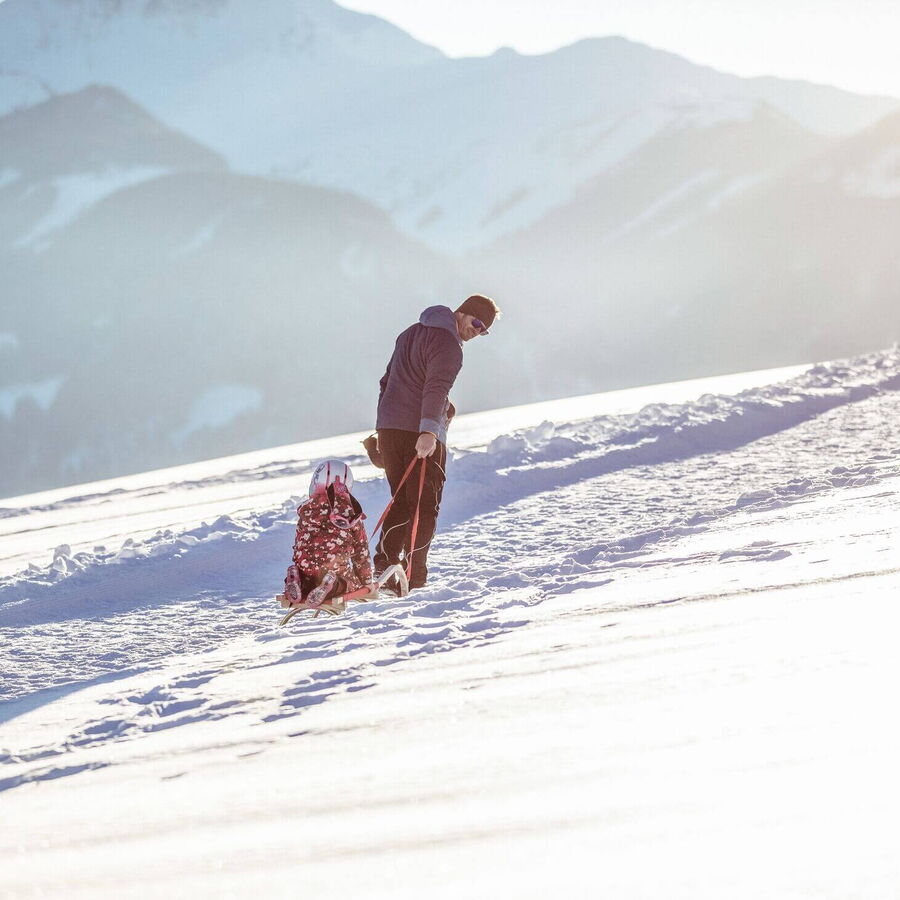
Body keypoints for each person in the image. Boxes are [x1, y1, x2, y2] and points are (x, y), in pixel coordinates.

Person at [373, 294, 500, 589]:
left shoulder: (410, 333)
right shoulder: (449, 344)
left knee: (402, 502)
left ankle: (386, 566)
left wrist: (385, 425)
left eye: (484, 330)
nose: (477, 332)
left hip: (391, 430)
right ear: (461, 313)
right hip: (420, 433)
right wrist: (430, 430)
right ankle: (414, 578)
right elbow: (435, 386)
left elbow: (388, 381)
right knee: (424, 506)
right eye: (476, 323)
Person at [283, 459, 373, 608]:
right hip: (334, 571)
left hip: (307, 571)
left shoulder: (306, 511)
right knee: (347, 583)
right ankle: (332, 585)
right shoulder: (351, 514)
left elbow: (299, 543)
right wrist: (366, 583)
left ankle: (297, 580)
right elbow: (360, 552)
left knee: (309, 577)